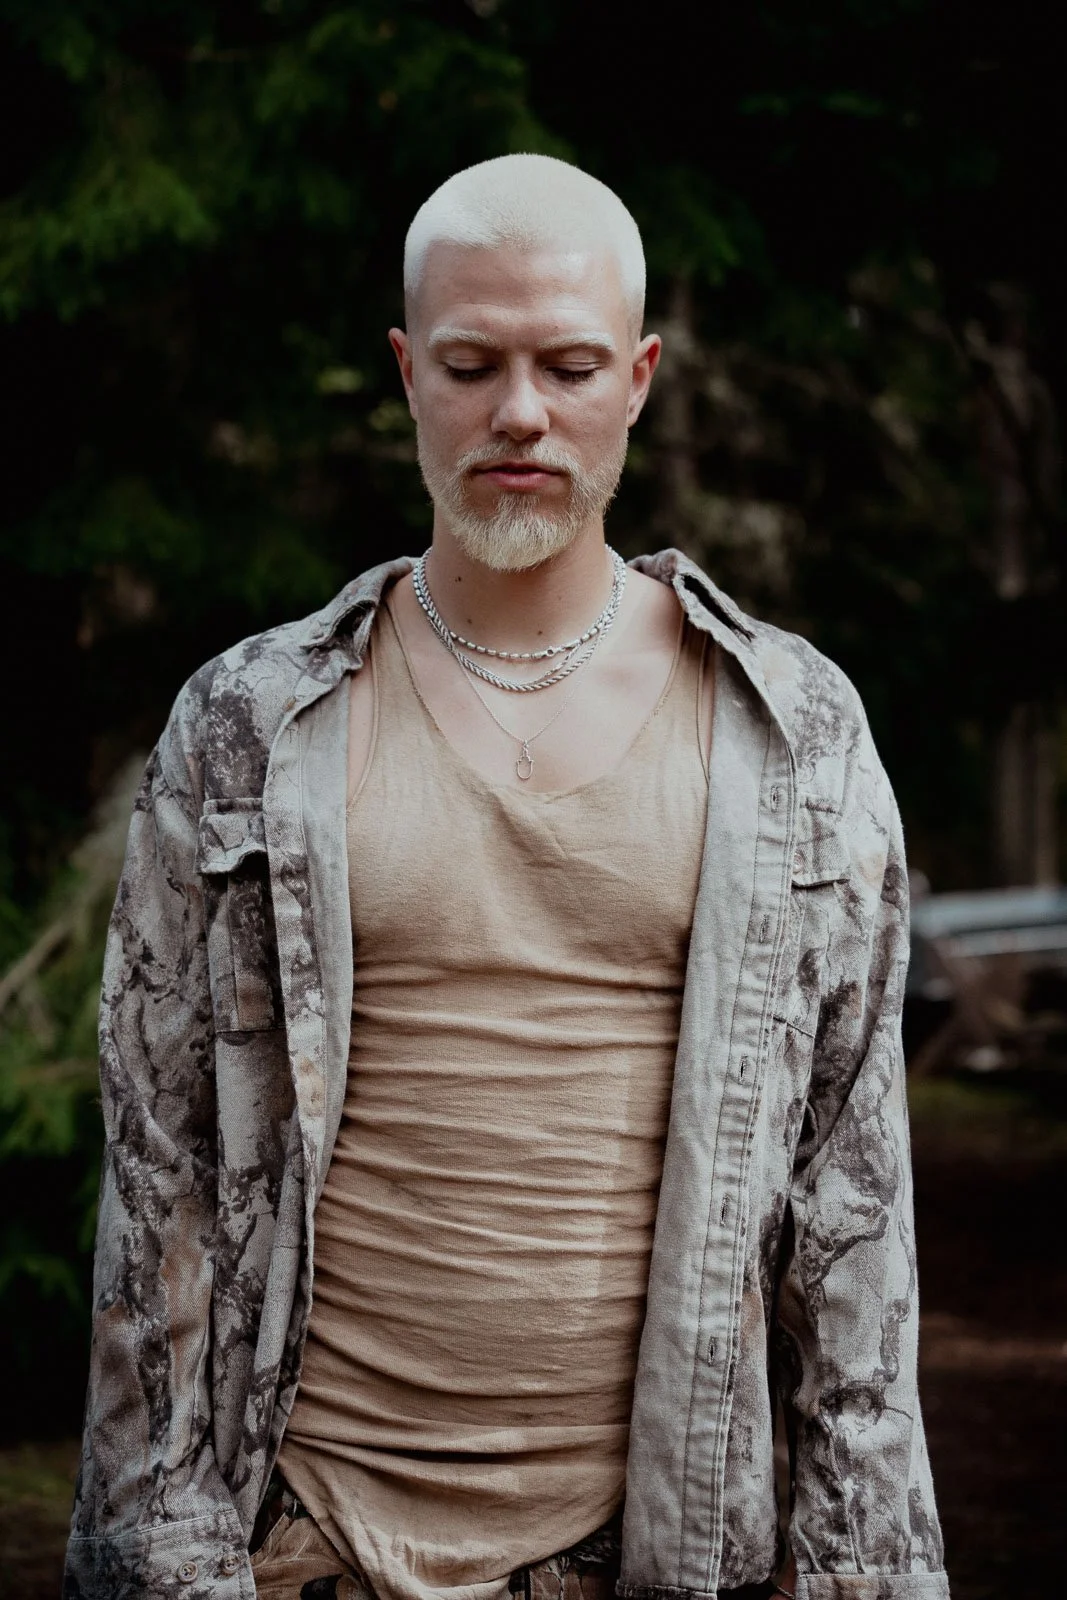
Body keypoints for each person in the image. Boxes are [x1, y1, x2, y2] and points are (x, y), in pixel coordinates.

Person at [64, 154, 948, 1600]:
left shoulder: (792, 732)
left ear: (640, 380)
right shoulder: (247, 726)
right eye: (471, 364)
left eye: (568, 366)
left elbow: (853, 1215)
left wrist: (864, 1573)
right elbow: (160, 1194)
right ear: (409, 373)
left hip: (655, 1550)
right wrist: (168, 1561)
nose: (519, 413)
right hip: (302, 1542)